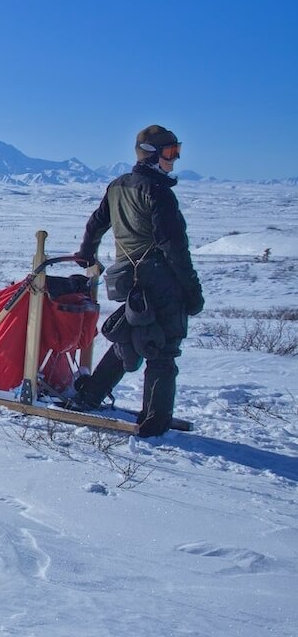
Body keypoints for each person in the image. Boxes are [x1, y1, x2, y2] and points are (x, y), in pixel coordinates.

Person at [68, 125, 204, 437]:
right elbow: (175, 248)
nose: (175, 159)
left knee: (128, 337)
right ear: (152, 154)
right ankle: (155, 423)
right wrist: (192, 291)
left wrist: (86, 253)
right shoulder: (158, 192)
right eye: (170, 152)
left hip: (129, 279)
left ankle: (90, 396)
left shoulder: (118, 186)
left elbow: (96, 223)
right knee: (164, 349)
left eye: (177, 151)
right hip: (161, 279)